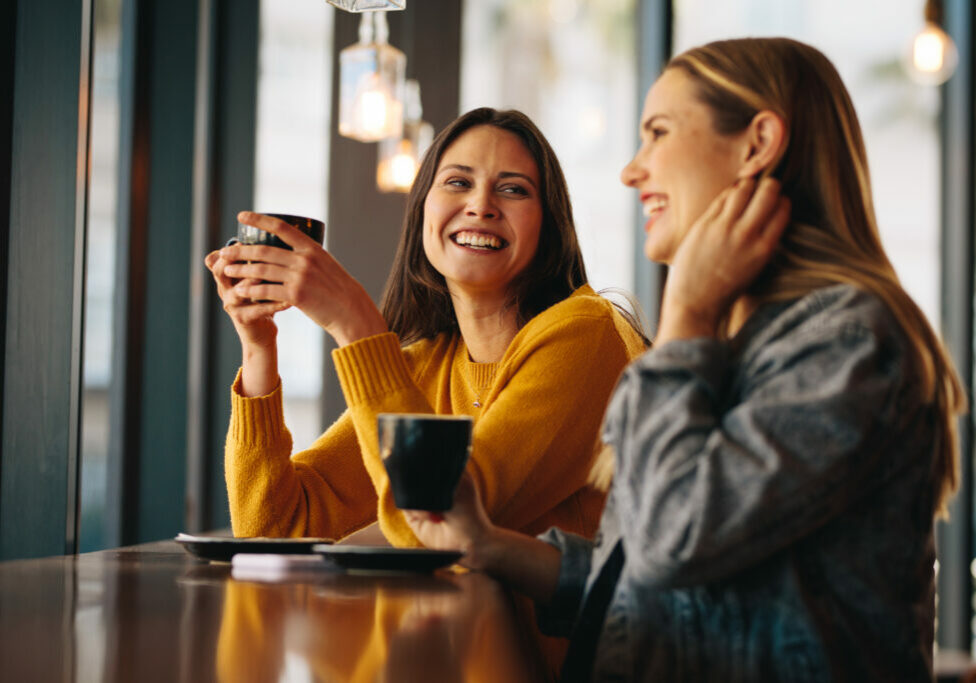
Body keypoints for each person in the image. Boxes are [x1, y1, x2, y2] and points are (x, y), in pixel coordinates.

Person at [404, 38, 966, 681]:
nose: (632, 170)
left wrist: (687, 316)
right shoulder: (736, 342)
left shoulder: (849, 343)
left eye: (659, 133)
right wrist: (490, 547)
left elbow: (675, 541)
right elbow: (650, 589)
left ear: (757, 145)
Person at [205, 107, 647, 549]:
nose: (480, 206)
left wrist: (354, 322)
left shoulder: (585, 334)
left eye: (513, 189)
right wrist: (258, 346)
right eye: (458, 182)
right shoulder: (425, 367)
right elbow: (273, 528)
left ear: (549, 226)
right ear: (421, 213)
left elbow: (443, 522)